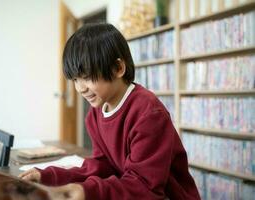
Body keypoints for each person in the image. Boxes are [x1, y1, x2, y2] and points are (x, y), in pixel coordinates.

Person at [19, 23, 200, 200]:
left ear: (118, 68)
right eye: (75, 79)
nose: (80, 88)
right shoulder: (95, 115)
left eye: (87, 77)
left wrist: (87, 192)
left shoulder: (148, 114)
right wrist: (49, 176)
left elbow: (145, 188)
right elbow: (101, 166)